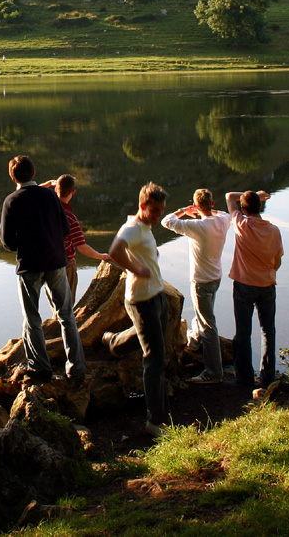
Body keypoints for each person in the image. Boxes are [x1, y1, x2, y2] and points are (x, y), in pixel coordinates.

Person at [0, 155, 85, 384]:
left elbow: (7, 242)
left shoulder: (11, 201)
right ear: (34, 173)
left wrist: (27, 243)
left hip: (29, 266)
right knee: (67, 315)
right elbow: (65, 228)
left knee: (32, 319)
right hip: (56, 262)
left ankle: (40, 368)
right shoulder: (50, 196)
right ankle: (76, 369)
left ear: (12, 176)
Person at [102, 182, 170, 436]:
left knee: (152, 345)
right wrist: (137, 269)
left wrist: (148, 263)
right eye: (154, 211)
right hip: (142, 301)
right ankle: (156, 421)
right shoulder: (132, 228)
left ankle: (114, 344)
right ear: (143, 206)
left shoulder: (144, 226)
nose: (158, 215)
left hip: (157, 297)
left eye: (161, 211)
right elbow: (115, 251)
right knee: (154, 361)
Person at [161, 188, 230, 384]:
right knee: (204, 316)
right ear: (213, 203)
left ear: (196, 206)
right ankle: (194, 341)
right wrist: (204, 210)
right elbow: (223, 213)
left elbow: (167, 221)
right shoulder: (223, 220)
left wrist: (184, 210)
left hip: (201, 280)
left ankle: (213, 372)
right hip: (216, 278)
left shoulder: (197, 226)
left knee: (209, 324)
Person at [224, 189, 284, 394]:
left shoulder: (240, 224)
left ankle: (244, 377)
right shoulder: (274, 230)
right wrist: (258, 197)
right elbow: (277, 261)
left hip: (243, 285)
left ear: (243, 208)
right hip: (267, 285)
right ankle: (267, 376)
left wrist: (255, 194)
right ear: (260, 207)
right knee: (268, 331)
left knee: (243, 332)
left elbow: (229, 196)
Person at [41, 174, 111, 303]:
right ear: (73, 192)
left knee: (55, 303)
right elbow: (83, 248)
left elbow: (26, 193)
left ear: (56, 190)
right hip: (65, 264)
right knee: (66, 305)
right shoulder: (70, 219)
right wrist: (102, 256)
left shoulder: (44, 208)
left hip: (45, 263)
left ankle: (58, 321)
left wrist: (47, 184)